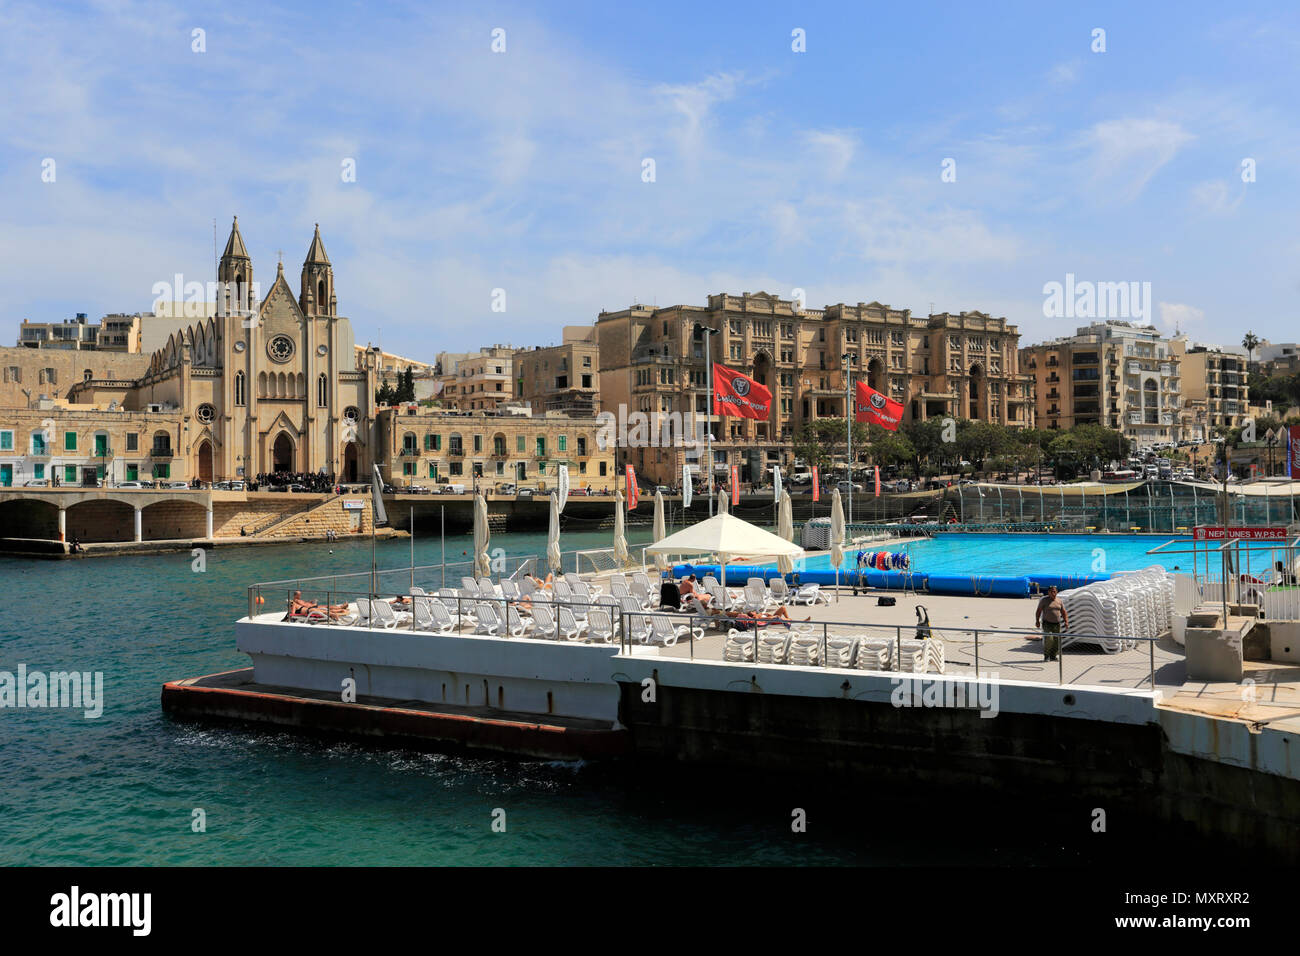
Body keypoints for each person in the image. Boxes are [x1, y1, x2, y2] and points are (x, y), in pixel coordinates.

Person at [1035, 585, 1068, 662]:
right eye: (1051, 591)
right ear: (1048, 592)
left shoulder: (1059, 601)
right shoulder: (1044, 600)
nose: (1053, 593)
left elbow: (1063, 612)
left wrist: (1066, 622)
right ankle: (1047, 656)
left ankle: (1053, 656)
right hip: (1047, 624)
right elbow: (1038, 611)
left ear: (1057, 592)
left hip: (1057, 624)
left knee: (1056, 641)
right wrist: (1037, 621)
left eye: (1055, 591)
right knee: (1049, 640)